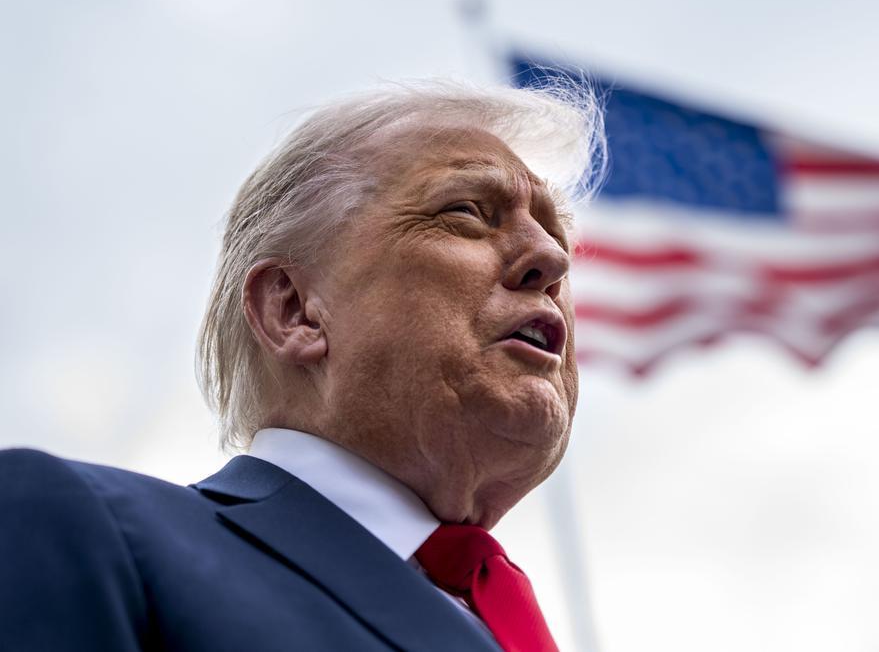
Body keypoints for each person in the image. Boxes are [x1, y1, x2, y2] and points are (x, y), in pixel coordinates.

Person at [0, 78, 605, 652]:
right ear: (294, 311)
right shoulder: (77, 526)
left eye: (555, 233)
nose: (551, 259)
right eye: (468, 212)